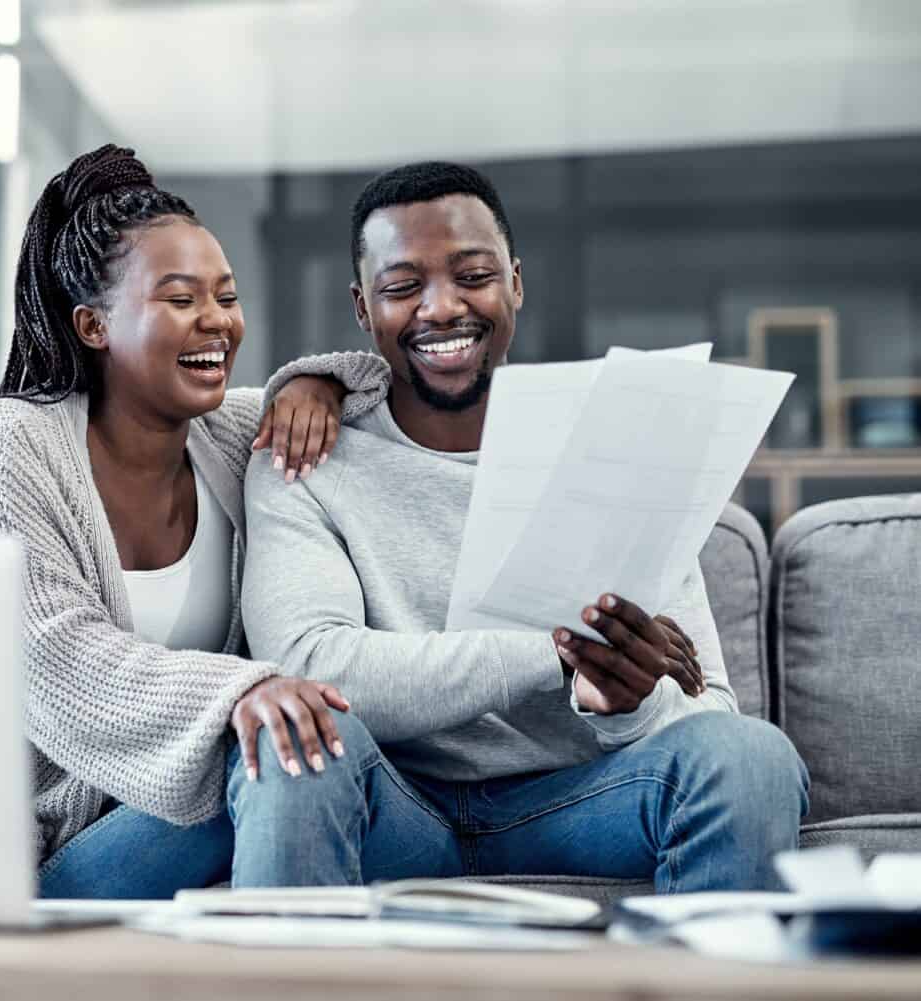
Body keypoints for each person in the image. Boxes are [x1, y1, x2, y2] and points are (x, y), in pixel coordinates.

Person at [233, 161, 809, 892]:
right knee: (298, 738)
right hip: (395, 809)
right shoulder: (305, 454)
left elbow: (708, 708)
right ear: (362, 307)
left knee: (751, 756)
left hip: (582, 801)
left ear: (515, 282)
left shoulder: (619, 442)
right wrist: (555, 655)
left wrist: (619, 704)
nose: (441, 309)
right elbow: (313, 666)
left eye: (472, 275)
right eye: (403, 286)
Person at [0, 145, 390, 899]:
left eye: (227, 296)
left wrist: (317, 383)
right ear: (93, 324)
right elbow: (54, 663)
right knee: (291, 740)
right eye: (180, 299)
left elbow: (384, 393)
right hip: (59, 851)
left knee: (306, 745)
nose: (217, 322)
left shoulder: (233, 436)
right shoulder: (5, 445)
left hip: (215, 811)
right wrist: (243, 688)